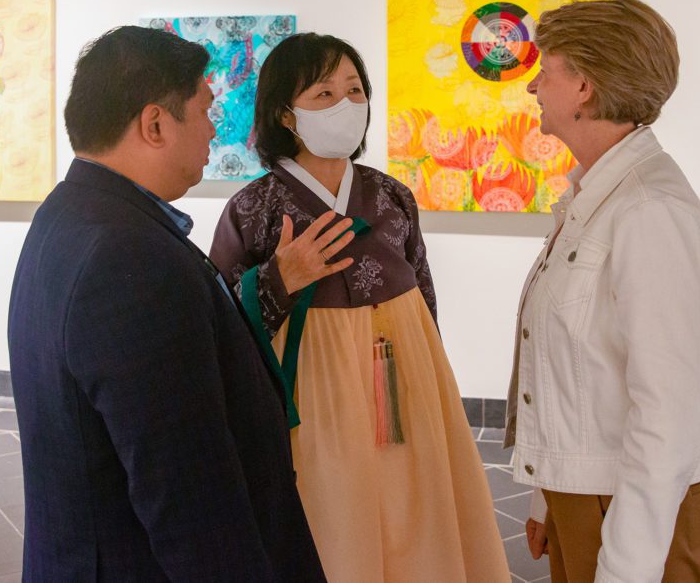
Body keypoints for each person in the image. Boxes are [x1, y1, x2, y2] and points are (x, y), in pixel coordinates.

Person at [8, 26, 325, 582]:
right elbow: (187, 497)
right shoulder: (132, 260)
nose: (215, 127)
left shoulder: (68, 214)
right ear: (155, 124)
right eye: (205, 109)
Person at [209, 32, 509, 583]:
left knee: (413, 507)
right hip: (311, 390)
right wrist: (279, 279)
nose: (345, 106)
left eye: (354, 91)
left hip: (406, 378)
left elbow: (424, 292)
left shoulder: (393, 196)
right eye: (324, 95)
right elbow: (216, 325)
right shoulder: (252, 208)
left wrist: (433, 376)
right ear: (285, 114)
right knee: (330, 520)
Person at [503, 0, 700, 583]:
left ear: (584, 86)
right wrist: (547, 494)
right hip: (587, 493)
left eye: (545, 71)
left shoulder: (649, 212)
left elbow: (667, 415)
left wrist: (626, 568)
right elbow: (574, 368)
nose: (533, 87)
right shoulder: (595, 196)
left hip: (633, 506)